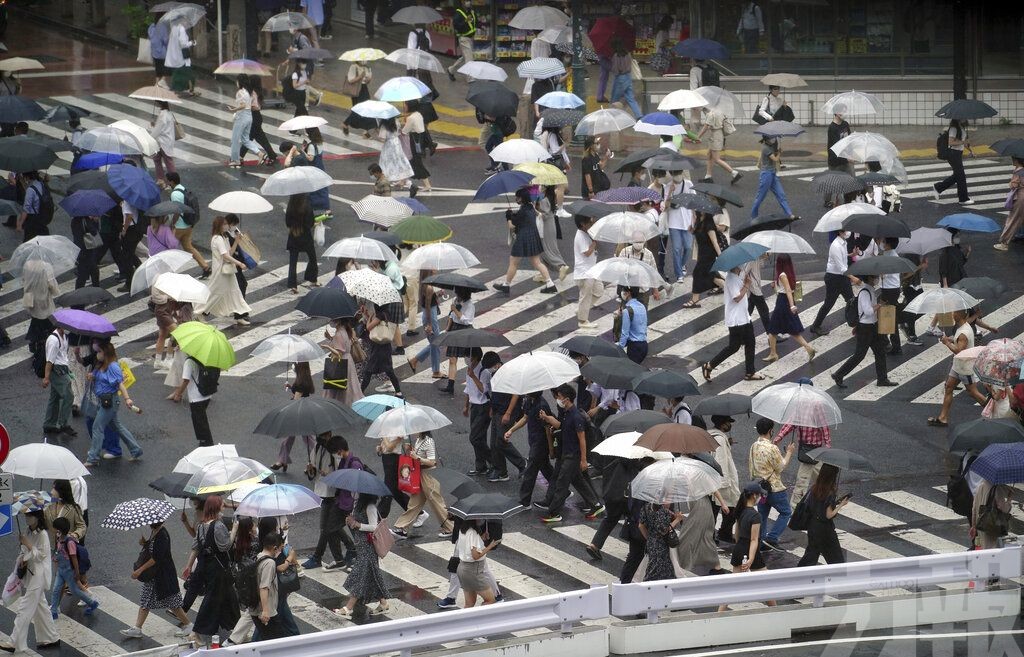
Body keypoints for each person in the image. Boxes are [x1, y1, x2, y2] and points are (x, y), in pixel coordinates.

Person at [535, 384, 602, 523]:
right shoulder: (567, 414)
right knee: (578, 481)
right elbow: (561, 426)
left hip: (572, 455)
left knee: (561, 483)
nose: (557, 399)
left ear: (566, 399)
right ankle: (596, 505)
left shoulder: (576, 416)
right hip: (566, 453)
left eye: (559, 397)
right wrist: (547, 418)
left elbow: (582, 438)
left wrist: (583, 460)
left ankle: (554, 513)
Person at [119, 519, 192, 639]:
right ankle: (137, 628)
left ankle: (189, 625)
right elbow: (153, 550)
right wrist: (145, 543)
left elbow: (155, 558)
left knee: (172, 602)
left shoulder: (162, 535)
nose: (149, 523)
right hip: (155, 575)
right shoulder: (155, 531)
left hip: (162, 575)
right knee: (146, 601)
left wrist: (139, 570)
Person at [0, 511, 59, 653]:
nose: (27, 518)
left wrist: (28, 544)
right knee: (41, 607)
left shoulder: (43, 534)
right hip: (30, 574)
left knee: (24, 609)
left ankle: (14, 642)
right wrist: (22, 557)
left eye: (30, 516)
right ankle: (51, 637)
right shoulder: (27, 531)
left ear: (37, 518)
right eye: (25, 515)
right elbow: (24, 552)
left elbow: (41, 556)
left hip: (38, 575)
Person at [183, 496, 239, 644]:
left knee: (230, 598)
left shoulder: (201, 526)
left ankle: (237, 629)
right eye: (222, 504)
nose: (224, 505)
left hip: (206, 567)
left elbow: (196, 547)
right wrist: (234, 529)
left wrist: (188, 566)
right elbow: (225, 546)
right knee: (211, 600)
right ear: (216, 507)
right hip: (218, 569)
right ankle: (196, 632)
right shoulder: (218, 525)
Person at [832, 274, 897, 389]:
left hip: (872, 326)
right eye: (875, 277)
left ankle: (882, 379)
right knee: (859, 355)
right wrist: (880, 305)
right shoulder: (865, 292)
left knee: (880, 352)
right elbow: (868, 312)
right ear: (870, 279)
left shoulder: (870, 290)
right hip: (865, 329)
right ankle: (838, 374)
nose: (877, 279)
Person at [83, 342, 142, 466]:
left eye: (99, 351)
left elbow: (120, 384)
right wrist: (92, 377)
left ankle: (93, 458)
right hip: (103, 401)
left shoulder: (113, 366)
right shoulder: (101, 366)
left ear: (106, 353)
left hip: (109, 402)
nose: (97, 354)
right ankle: (136, 450)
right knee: (117, 427)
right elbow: (99, 379)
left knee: (97, 427)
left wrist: (127, 399)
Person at [927, 310, 988, 427]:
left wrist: (946, 343)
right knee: (949, 387)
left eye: (954, 313)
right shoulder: (963, 327)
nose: (952, 314)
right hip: (957, 366)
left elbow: (959, 350)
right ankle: (943, 418)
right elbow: (959, 342)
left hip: (965, 367)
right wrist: (951, 339)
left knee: (973, 392)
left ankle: (995, 413)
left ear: (959, 315)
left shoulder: (963, 333)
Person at [703, 266, 763, 382]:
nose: (743, 266)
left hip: (744, 317)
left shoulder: (737, 277)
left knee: (750, 343)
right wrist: (747, 285)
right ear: (735, 266)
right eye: (741, 265)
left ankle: (750, 372)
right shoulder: (731, 279)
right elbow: (737, 298)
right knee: (733, 347)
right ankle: (709, 365)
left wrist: (745, 282)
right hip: (736, 320)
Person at [334, 495, 390, 616]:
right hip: (361, 546)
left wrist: (357, 524)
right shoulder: (358, 504)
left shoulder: (370, 507)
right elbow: (356, 523)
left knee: (361, 576)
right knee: (371, 575)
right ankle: (383, 603)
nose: (355, 493)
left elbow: (374, 526)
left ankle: (349, 607)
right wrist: (350, 521)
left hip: (368, 547)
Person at [494, 189, 557, 295]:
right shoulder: (530, 207)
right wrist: (513, 215)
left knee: (513, 262)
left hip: (523, 238)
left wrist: (508, 216)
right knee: (537, 262)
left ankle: (506, 285)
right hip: (533, 236)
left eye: (517, 197)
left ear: (521, 198)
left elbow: (512, 226)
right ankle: (550, 284)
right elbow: (522, 218)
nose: (516, 199)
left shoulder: (523, 210)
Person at [391, 432, 454, 538]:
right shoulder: (418, 440)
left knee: (436, 502)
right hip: (419, 474)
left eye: (415, 429)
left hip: (429, 475)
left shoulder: (428, 441)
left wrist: (417, 458)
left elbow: (432, 462)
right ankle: (402, 528)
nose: (413, 431)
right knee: (414, 503)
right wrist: (409, 451)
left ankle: (451, 527)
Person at [748, 418, 794, 551]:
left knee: (762, 515)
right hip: (774, 488)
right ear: (770, 430)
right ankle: (772, 538)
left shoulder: (754, 445)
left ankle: (761, 542)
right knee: (785, 512)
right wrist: (789, 452)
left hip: (759, 487)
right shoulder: (772, 448)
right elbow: (780, 467)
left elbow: (751, 466)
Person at [199, 216, 251, 324]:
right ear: (220, 226)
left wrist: (236, 241)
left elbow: (230, 253)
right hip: (221, 271)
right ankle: (201, 312)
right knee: (215, 293)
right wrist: (239, 263)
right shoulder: (217, 239)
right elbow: (225, 256)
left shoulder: (224, 237)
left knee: (235, 292)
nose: (227, 226)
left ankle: (239, 316)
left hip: (228, 270)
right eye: (225, 224)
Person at [765, 254, 816, 362]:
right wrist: (776, 286)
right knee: (792, 330)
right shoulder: (788, 273)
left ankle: (773, 354)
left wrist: (792, 305)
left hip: (783, 303)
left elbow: (787, 290)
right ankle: (808, 348)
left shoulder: (782, 275)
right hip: (786, 301)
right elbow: (786, 288)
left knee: (772, 329)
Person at [796, 464, 848, 566]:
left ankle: (800, 574)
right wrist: (841, 504)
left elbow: (817, 505)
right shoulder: (830, 492)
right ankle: (839, 576)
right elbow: (828, 515)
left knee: (811, 555)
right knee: (836, 558)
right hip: (825, 529)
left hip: (812, 526)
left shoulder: (815, 488)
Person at [809, 230, 857, 335]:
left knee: (851, 301)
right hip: (834, 278)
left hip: (842, 277)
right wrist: (853, 278)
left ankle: (857, 325)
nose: (848, 232)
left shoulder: (843, 242)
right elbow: (841, 268)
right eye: (846, 230)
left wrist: (851, 254)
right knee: (829, 303)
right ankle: (815, 326)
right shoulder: (836, 245)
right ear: (840, 232)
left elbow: (842, 257)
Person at [167, 173, 210, 276]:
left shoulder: (175, 194)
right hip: (188, 225)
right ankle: (205, 266)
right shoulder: (183, 189)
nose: (168, 183)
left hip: (179, 227)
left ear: (172, 181)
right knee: (188, 247)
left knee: (169, 249)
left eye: (168, 181)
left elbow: (177, 211)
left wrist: (172, 224)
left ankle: (169, 273)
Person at [248, 532, 288, 640]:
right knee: (277, 641)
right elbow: (264, 587)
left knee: (267, 640)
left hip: (255, 608)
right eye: (280, 548)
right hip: (266, 611)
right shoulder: (269, 563)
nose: (280, 551)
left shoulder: (257, 557)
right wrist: (265, 611)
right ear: (275, 548)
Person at [171, 353, 215, 447]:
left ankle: (206, 444)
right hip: (206, 394)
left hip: (196, 397)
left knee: (199, 422)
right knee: (202, 419)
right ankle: (206, 442)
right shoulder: (204, 358)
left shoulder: (189, 361)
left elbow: (186, 380)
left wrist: (178, 393)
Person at [359, 305, 402, 396]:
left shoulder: (380, 315)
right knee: (389, 371)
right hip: (385, 346)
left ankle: (360, 392)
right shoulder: (386, 314)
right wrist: (366, 315)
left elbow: (369, 327)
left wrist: (369, 317)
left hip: (378, 347)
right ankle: (398, 392)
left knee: (368, 371)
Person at [42, 322, 77, 436]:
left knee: (55, 397)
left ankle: (49, 424)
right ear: (59, 326)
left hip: (62, 368)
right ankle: (63, 424)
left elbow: (63, 356)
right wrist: (46, 378)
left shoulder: (65, 337)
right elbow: (49, 361)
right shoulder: (53, 340)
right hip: (56, 370)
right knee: (69, 395)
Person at [455, 520, 499, 607]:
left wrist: (481, 538)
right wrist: (490, 546)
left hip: (462, 568)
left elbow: (468, 545)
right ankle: (483, 620)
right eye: (479, 517)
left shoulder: (463, 530)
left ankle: (466, 620)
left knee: (469, 604)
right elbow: (475, 556)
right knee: (490, 601)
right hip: (473, 571)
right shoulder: (473, 533)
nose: (481, 519)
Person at [322, 317, 364, 406]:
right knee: (350, 386)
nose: (331, 322)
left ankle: (339, 405)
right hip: (348, 361)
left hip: (341, 362)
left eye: (332, 320)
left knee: (340, 386)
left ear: (338, 321)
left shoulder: (339, 334)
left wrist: (327, 347)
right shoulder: (346, 330)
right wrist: (330, 337)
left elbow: (339, 353)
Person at [685, 212, 723, 308]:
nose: (697, 211)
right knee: (711, 275)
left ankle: (695, 300)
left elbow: (715, 243)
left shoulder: (709, 224)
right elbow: (699, 235)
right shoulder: (699, 222)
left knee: (698, 273)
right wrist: (692, 230)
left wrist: (721, 257)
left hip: (709, 254)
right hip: (702, 254)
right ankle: (733, 291)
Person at [751, 135, 795, 219]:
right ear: (767, 139)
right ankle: (753, 217)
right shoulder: (765, 148)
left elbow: (772, 156)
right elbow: (775, 159)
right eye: (772, 138)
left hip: (772, 173)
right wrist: (779, 153)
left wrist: (777, 151)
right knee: (760, 197)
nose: (774, 139)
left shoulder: (770, 146)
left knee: (781, 195)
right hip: (766, 175)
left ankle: (789, 214)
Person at [695, 106, 741, 184]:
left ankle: (734, 173)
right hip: (718, 135)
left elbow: (705, 127)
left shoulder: (711, 114)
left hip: (715, 137)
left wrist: (698, 137)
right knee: (709, 155)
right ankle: (708, 176)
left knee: (716, 159)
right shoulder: (719, 110)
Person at [639, 502, 684, 581]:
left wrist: (649, 538)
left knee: (661, 569)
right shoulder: (661, 511)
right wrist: (677, 520)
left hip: (651, 543)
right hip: (660, 546)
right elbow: (664, 530)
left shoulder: (646, 507)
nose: (670, 502)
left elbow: (641, 525)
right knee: (656, 571)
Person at [284, 193, 319, 294]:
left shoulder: (291, 203)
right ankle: (312, 278)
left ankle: (292, 285)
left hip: (293, 235)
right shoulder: (306, 203)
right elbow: (310, 222)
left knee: (293, 262)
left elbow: (287, 222)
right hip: (306, 236)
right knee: (312, 257)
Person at [227, 76, 266, 168]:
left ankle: (235, 160)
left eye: (237, 81)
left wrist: (233, 109)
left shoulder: (240, 92)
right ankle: (259, 153)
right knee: (245, 139)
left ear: (240, 82)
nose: (236, 83)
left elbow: (243, 105)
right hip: (249, 117)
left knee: (235, 139)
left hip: (242, 117)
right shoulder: (248, 92)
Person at [933, 119, 973, 205]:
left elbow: (963, 143)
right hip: (952, 154)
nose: (964, 118)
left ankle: (938, 187)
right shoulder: (954, 129)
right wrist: (963, 142)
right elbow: (951, 142)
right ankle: (963, 199)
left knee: (958, 175)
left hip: (957, 153)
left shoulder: (961, 127)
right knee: (961, 176)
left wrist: (971, 150)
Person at [574, 215, 604, 327]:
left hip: (592, 269)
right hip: (584, 272)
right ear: (583, 224)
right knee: (585, 296)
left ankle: (581, 310)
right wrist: (595, 242)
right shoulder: (580, 235)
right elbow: (586, 252)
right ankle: (582, 321)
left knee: (599, 290)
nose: (591, 224)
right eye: (590, 222)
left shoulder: (586, 233)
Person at [536, 186, 570, 281]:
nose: (540, 187)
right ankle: (544, 273)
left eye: (542, 186)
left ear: (545, 188)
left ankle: (560, 266)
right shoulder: (551, 198)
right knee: (551, 247)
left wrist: (535, 209)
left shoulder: (545, 200)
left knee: (546, 249)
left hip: (546, 227)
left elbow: (544, 215)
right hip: (551, 225)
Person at [972, 478, 1013, 550]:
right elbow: (1003, 508)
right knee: (991, 550)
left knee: (984, 547)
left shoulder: (980, 486)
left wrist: (974, 525)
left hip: (981, 523)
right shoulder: (997, 489)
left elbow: (974, 507)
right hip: (991, 525)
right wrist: (1009, 499)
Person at [377, 117, 415, 190]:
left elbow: (383, 139)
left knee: (386, 164)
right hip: (397, 143)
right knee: (399, 162)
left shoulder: (384, 126)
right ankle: (407, 183)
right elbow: (398, 132)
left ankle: (384, 184)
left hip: (388, 146)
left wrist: (378, 134)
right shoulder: (396, 121)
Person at [995, 158, 1024, 251]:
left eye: (1013, 159)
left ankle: (1004, 242)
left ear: (1017, 161)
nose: (1012, 160)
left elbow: (1014, 185)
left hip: (1021, 197)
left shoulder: (1018, 171)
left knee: (1012, 220)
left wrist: (1010, 183)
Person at [609, 39, 643, 118]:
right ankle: (639, 115)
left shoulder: (616, 55)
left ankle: (612, 115)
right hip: (628, 77)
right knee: (630, 98)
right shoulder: (628, 54)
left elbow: (615, 69)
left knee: (614, 98)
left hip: (620, 78)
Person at [342, 61, 375, 139]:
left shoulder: (367, 68)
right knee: (359, 110)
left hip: (364, 89)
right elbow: (350, 80)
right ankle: (346, 123)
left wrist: (368, 79)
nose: (364, 60)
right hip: (357, 90)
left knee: (367, 109)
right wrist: (360, 77)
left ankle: (365, 131)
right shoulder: (354, 66)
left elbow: (366, 82)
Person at [616, 286, 649, 364]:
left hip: (634, 348)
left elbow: (625, 333)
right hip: (644, 345)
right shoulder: (642, 306)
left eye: (623, 291)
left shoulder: (627, 311)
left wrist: (619, 348)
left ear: (628, 293)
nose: (622, 293)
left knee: (630, 372)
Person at [16, 170, 51, 242]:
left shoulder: (30, 190)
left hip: (32, 219)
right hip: (42, 216)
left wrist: (20, 223)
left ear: (27, 177)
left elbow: (26, 209)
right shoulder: (41, 184)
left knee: (28, 242)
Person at [446, 0, 477, 81]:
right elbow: (456, 26)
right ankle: (470, 78)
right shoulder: (459, 13)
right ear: (462, 2)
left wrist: (479, 25)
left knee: (464, 57)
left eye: (469, 1)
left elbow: (475, 22)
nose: (468, 2)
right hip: (464, 39)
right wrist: (465, 21)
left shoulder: (471, 11)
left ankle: (451, 70)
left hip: (470, 38)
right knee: (469, 58)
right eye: (466, 1)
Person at [165, 18, 197, 97]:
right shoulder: (181, 29)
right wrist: (192, 43)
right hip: (182, 56)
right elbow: (183, 44)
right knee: (188, 74)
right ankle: (187, 91)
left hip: (176, 56)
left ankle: (188, 90)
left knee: (180, 73)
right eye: (185, 20)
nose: (186, 22)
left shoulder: (174, 28)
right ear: (181, 20)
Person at [149, 101, 176, 179]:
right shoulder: (169, 113)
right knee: (163, 161)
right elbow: (163, 127)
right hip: (167, 141)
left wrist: (150, 137)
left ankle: (162, 180)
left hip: (162, 142)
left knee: (161, 162)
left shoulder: (162, 115)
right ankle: (172, 181)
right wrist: (155, 124)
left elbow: (158, 130)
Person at [148, 18, 169, 85]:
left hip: (154, 51)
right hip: (162, 51)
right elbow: (165, 40)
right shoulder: (162, 27)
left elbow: (150, 36)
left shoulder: (152, 26)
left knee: (157, 67)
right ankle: (162, 80)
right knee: (165, 66)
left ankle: (156, 83)